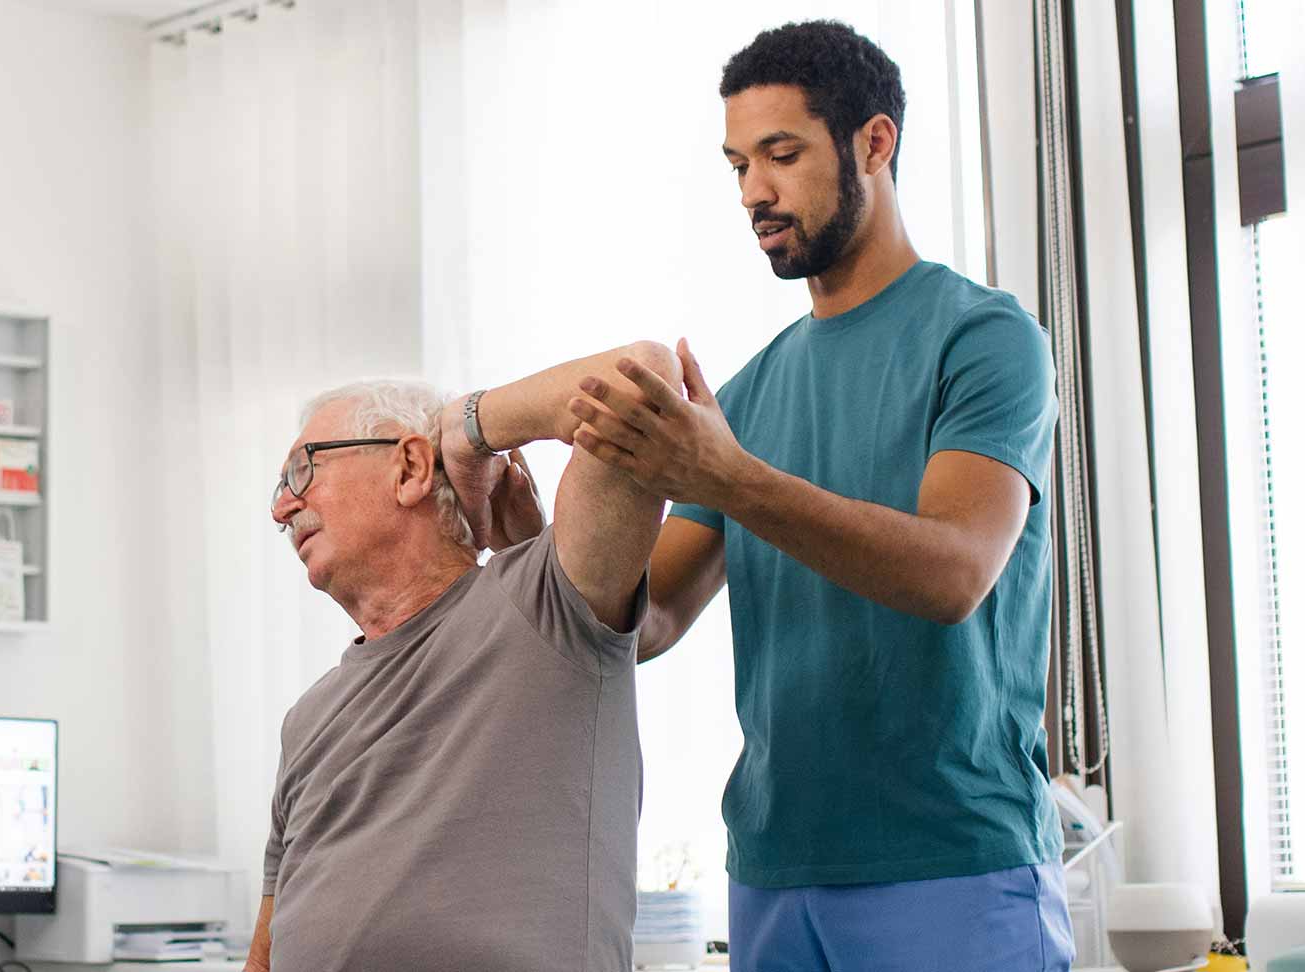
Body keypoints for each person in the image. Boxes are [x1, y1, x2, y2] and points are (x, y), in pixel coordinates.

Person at [563, 21, 1073, 972]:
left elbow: (954, 571)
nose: (755, 191)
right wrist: (545, 551)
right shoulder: (749, 394)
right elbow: (653, 618)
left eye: (781, 154)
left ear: (874, 144)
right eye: (737, 165)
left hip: (950, 865)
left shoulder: (987, 340)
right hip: (773, 869)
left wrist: (727, 477)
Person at [244, 344, 676, 972]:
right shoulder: (307, 718)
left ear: (410, 467)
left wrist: (469, 430)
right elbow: (267, 951)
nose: (282, 508)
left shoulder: (544, 606)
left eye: (301, 472)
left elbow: (642, 381)